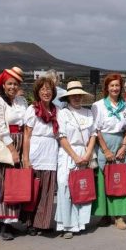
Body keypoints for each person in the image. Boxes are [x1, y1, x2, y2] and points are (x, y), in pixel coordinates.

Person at [0, 66, 27, 241]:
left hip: (21, 140)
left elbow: (26, 123)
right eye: (9, 84)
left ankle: (11, 220)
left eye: (15, 84)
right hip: (6, 144)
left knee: (16, 184)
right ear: (3, 85)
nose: (12, 87)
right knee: (4, 184)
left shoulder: (22, 101)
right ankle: (4, 224)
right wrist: (12, 150)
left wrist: (24, 149)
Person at [54, 80, 97, 238]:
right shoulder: (62, 113)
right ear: (68, 97)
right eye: (73, 95)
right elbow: (62, 137)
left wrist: (86, 154)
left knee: (82, 186)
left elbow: (93, 135)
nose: (76, 98)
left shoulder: (88, 112)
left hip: (85, 153)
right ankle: (67, 224)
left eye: (79, 95)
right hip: (68, 153)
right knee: (66, 186)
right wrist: (74, 156)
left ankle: (81, 222)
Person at [92, 73, 126, 230]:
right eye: (112, 85)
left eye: (117, 85)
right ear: (106, 88)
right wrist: (105, 150)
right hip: (104, 144)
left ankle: (119, 216)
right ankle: (105, 214)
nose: (115, 88)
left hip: (120, 143)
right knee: (104, 181)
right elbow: (96, 130)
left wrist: (124, 146)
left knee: (119, 179)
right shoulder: (98, 106)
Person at [21, 76, 59, 234]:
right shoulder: (32, 110)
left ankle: (42, 223)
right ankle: (30, 223)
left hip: (51, 152)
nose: (46, 92)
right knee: (34, 190)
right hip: (36, 152)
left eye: (49, 89)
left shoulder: (57, 110)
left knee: (47, 191)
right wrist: (26, 158)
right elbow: (27, 136)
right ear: (37, 92)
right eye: (43, 89)